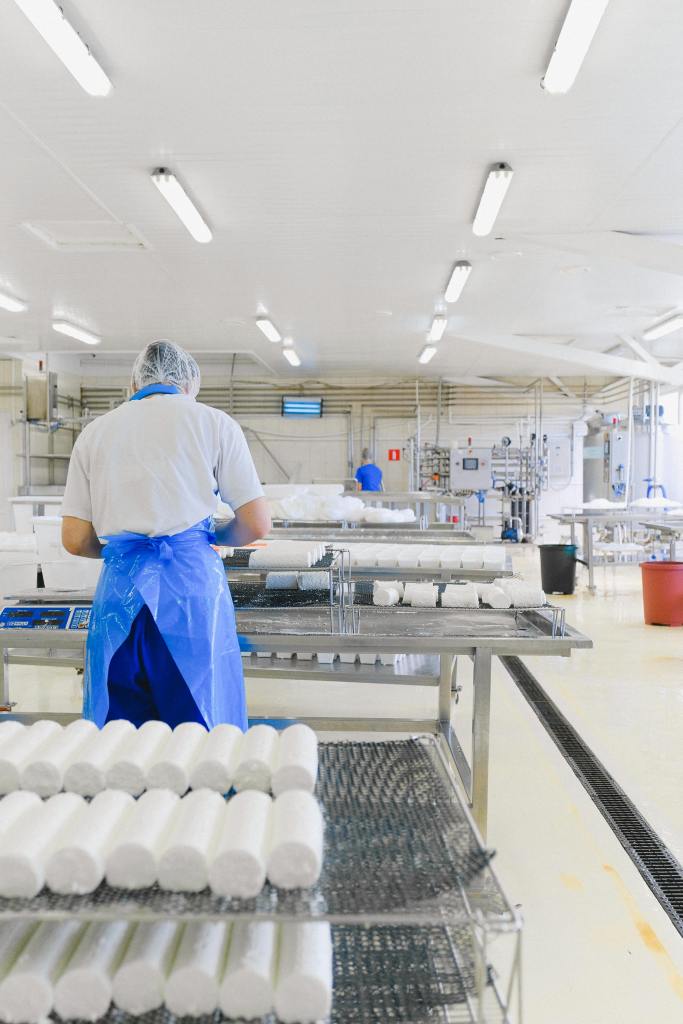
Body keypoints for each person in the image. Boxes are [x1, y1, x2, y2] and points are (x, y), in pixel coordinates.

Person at [60, 340, 270, 731]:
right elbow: (256, 523)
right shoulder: (214, 423)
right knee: (200, 729)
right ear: (189, 384)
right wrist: (209, 535)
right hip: (191, 596)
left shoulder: (94, 433)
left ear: (134, 383)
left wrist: (122, 552)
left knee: (119, 735)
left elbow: (74, 538)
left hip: (120, 598)